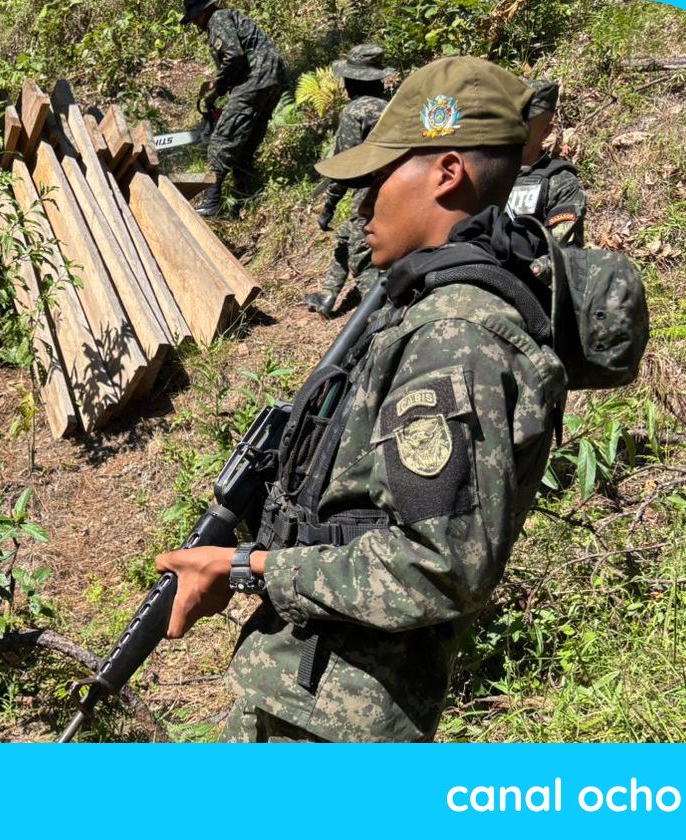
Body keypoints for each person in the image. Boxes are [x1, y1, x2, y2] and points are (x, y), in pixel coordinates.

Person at [155, 57, 568, 741]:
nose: (364, 202)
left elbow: (438, 564)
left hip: (336, 721)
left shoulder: (455, 335)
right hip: (308, 695)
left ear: (446, 173)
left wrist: (246, 568)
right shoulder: (421, 313)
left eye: (379, 177)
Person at [306, 44, 396, 317]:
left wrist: (330, 205)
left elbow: (346, 166)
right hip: (396, 185)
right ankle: (328, 294)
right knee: (345, 238)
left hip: (370, 192)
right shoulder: (391, 107)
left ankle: (379, 315)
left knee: (362, 256)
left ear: (352, 81)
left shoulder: (355, 111)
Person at [181, 0, 287, 218]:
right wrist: (216, 94)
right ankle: (244, 198)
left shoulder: (218, 19)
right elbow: (237, 64)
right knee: (244, 145)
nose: (196, 24)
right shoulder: (231, 18)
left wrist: (214, 85)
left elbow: (235, 56)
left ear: (204, 10)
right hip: (273, 79)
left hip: (256, 79)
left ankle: (211, 202)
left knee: (220, 142)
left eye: (195, 18)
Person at [509, 78, 587, 246]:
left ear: (546, 131)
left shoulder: (559, 182)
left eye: (523, 125)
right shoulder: (483, 170)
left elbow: (566, 256)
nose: (512, 131)